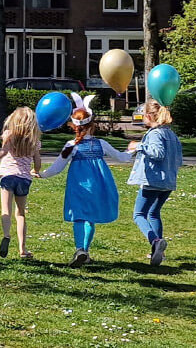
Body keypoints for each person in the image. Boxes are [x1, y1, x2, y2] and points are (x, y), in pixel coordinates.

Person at [39, 93, 134, 267]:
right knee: (89, 218)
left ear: (73, 126)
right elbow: (122, 158)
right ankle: (86, 251)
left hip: (78, 186)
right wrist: (133, 149)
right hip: (98, 185)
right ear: (92, 125)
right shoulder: (101, 144)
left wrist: (42, 173)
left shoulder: (71, 145)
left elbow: (58, 166)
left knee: (79, 217)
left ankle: (80, 248)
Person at [127, 98, 183, 266]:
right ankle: (158, 253)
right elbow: (178, 158)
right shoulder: (171, 134)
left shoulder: (156, 133)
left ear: (150, 116)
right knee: (153, 213)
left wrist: (138, 146)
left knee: (139, 215)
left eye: (143, 115)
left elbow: (157, 153)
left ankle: (155, 241)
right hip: (168, 181)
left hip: (153, 181)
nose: (142, 118)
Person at [0, 107, 41, 259]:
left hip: (8, 176)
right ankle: (23, 249)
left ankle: (6, 235)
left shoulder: (9, 135)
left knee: (6, 210)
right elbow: (37, 162)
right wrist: (35, 170)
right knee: (21, 213)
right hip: (24, 179)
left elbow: (2, 153)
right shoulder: (34, 141)